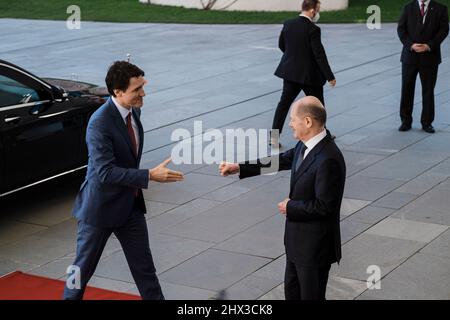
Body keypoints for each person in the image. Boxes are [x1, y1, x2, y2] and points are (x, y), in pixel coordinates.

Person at [63, 61, 184, 300]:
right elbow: (105, 172)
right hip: (99, 209)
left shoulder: (133, 111)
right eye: (137, 89)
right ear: (118, 92)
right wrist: (149, 175)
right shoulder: (99, 123)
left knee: (145, 269)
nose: (143, 93)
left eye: (142, 86)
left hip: (130, 206)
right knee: (81, 271)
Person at [219, 96, 345, 300]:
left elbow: (325, 207)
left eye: (293, 119)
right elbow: (281, 160)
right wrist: (240, 167)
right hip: (297, 243)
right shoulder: (305, 146)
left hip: (314, 249)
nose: (289, 124)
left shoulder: (328, 159)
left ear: (307, 122)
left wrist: (291, 206)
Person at [271, 0, 336, 147]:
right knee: (319, 107)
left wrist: (293, 58)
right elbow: (319, 54)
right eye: (318, 10)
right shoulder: (313, 29)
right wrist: (329, 76)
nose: (317, 13)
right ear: (313, 11)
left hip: (290, 73)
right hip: (310, 76)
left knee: (283, 104)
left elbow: (282, 45)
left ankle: (273, 138)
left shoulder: (288, 24)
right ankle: (323, 136)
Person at [397, 0, 449, 133]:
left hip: (430, 57)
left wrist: (429, 45)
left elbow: (444, 30)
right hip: (410, 56)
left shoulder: (441, 9)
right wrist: (411, 45)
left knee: (428, 91)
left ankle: (427, 123)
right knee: (407, 89)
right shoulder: (408, 8)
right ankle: (406, 121)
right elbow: (401, 29)